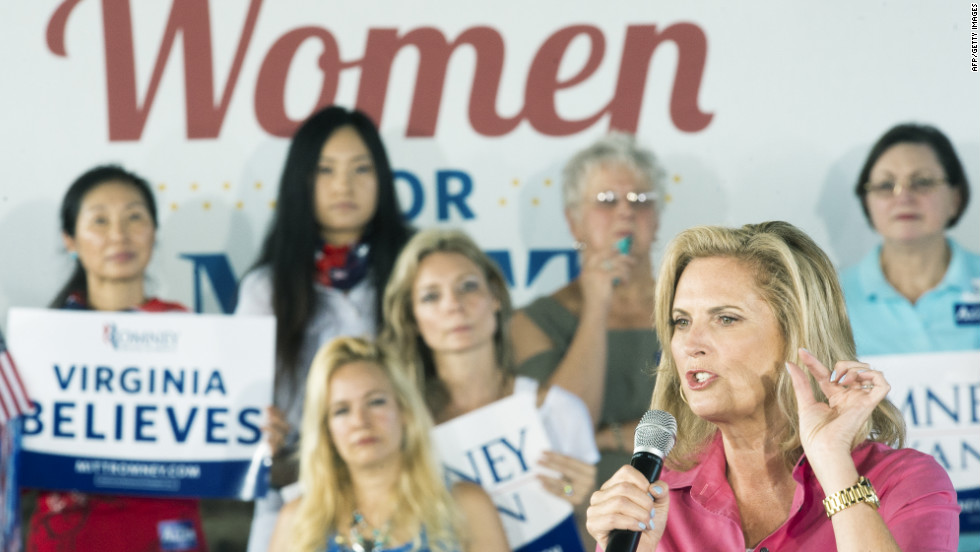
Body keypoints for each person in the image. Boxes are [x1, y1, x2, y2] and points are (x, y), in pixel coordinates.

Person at [586, 221, 960, 551]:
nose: (689, 343)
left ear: (797, 334)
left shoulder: (905, 483)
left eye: (726, 319)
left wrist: (833, 461)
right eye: (681, 322)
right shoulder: (654, 503)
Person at [236, 106, 412, 551]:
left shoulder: (417, 273)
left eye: (360, 169)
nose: (343, 185)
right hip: (298, 496)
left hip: (408, 490)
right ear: (301, 182)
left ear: (383, 180)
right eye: (325, 170)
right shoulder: (266, 289)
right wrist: (257, 430)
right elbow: (241, 406)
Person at [26, 165, 207, 551]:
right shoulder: (42, 341)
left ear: (154, 231)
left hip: (165, 532)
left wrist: (255, 438)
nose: (118, 235)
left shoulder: (190, 331)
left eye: (134, 217)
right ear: (70, 239)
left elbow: (217, 440)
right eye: (100, 221)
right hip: (68, 535)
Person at [381, 228, 599, 547]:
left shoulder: (557, 409)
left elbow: (588, 532)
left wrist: (577, 496)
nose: (453, 305)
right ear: (412, 319)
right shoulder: (402, 426)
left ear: (495, 297)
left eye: (467, 286)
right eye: (431, 296)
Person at [510, 133, 663, 485]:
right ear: (574, 221)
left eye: (641, 199)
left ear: (655, 220)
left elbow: (712, 427)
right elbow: (560, 437)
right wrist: (596, 307)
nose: (626, 211)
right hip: (586, 512)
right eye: (607, 200)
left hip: (691, 507)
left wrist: (610, 437)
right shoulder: (535, 321)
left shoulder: (690, 306)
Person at [267, 336, 508, 552]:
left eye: (375, 402)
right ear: (326, 430)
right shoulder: (296, 521)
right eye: (342, 410)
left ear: (404, 411)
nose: (361, 421)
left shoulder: (467, 506)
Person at [840, 122, 979, 355]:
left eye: (922, 182)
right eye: (886, 185)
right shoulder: (832, 299)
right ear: (867, 202)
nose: (903, 197)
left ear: (955, 198)